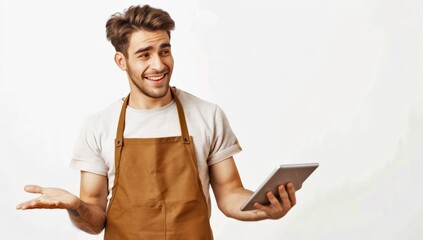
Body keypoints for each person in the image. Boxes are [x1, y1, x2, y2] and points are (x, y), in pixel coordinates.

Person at [16, 5, 296, 239]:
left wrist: (262, 208)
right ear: (121, 61)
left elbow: (230, 194)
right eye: (144, 54)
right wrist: (76, 206)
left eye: (164, 50)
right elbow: (94, 220)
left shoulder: (207, 115)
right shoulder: (99, 126)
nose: (159, 65)